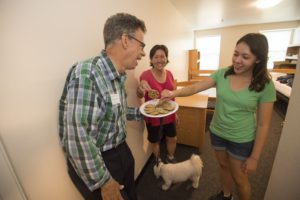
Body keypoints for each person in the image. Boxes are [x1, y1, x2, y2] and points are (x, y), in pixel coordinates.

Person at [161, 33, 276, 200]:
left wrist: (255, 157)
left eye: (245, 57)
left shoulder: (265, 85)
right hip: (218, 133)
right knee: (223, 166)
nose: (237, 60)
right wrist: (173, 92)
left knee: (240, 179)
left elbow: (264, 124)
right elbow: (195, 87)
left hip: (241, 139)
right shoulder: (222, 74)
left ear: (257, 59)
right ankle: (226, 195)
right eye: (235, 54)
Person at [59, 13, 146, 200]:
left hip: (120, 151)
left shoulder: (116, 76)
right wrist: (104, 182)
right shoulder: (88, 74)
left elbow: (114, 114)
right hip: (98, 162)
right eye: (141, 45)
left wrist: (144, 113)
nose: (143, 53)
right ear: (125, 40)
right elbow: (78, 139)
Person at [136, 44, 177, 164]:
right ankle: (158, 160)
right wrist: (140, 90)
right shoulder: (145, 75)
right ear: (151, 60)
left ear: (166, 58)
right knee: (155, 141)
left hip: (169, 113)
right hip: (153, 116)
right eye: (156, 57)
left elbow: (172, 94)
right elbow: (140, 94)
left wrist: (176, 113)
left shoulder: (169, 73)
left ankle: (170, 157)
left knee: (172, 138)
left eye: (162, 56)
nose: (159, 60)